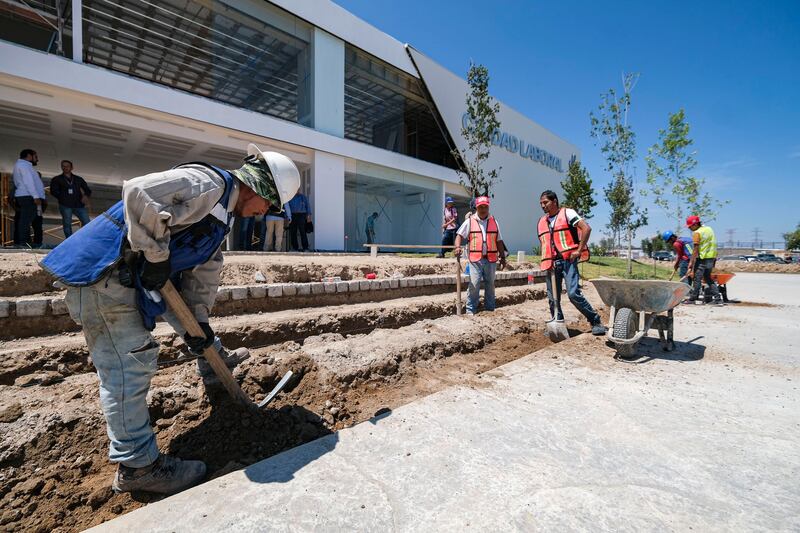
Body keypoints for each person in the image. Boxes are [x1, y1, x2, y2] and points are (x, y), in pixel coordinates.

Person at [40, 144, 300, 495]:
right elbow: (140, 191)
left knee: (177, 343)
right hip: (103, 276)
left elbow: (204, 272)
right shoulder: (208, 184)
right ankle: (137, 466)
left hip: (129, 282)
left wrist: (200, 325)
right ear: (259, 188)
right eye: (270, 204)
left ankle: (216, 377)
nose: (264, 212)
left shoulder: (222, 216)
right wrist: (156, 254)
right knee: (129, 368)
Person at [537, 190, 607, 335]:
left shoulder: (567, 213)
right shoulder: (542, 221)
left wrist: (579, 250)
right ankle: (558, 323)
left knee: (573, 294)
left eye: (546, 202)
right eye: (541, 204)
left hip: (568, 261)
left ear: (554, 201)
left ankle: (595, 320)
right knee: (552, 297)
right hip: (552, 264)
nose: (543, 206)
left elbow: (586, 228)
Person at [454, 196, 507, 314]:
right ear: (476, 208)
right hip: (475, 259)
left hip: (491, 259)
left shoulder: (494, 222)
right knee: (474, 284)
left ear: (488, 207)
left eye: (485, 207)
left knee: (490, 285)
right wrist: (457, 247)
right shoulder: (469, 221)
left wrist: (503, 257)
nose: (483, 209)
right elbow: (459, 235)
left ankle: (490, 309)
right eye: (480, 207)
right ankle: (470, 310)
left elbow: (499, 241)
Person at [12, 149, 45, 247]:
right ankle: (23, 243)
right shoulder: (23, 165)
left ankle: (25, 242)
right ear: (29, 156)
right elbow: (28, 182)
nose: (37, 159)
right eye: (35, 157)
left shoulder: (23, 165)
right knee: (25, 221)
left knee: (26, 220)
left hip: (27, 195)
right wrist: (35, 196)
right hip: (27, 196)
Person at [685, 215, 722, 305]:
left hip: (702, 259)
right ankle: (717, 299)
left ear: (695, 224)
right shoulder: (709, 229)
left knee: (697, 278)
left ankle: (693, 298)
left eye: (690, 226)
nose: (689, 228)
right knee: (708, 278)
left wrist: (691, 262)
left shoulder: (697, 233)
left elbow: (696, 249)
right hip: (711, 258)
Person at [50, 160, 92, 238]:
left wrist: (85, 196)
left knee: (87, 222)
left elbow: (87, 190)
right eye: (63, 166)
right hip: (65, 205)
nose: (65, 168)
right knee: (67, 223)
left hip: (79, 204)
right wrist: (63, 198)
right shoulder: (57, 179)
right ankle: (69, 240)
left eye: (67, 166)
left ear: (71, 167)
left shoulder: (78, 179)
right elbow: (53, 191)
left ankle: (84, 238)